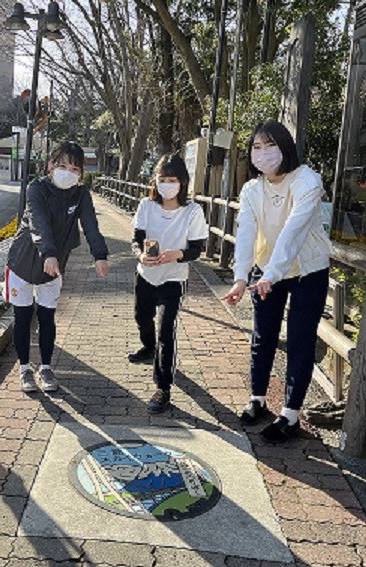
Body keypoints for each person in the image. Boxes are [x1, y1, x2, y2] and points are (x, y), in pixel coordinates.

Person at [223, 120, 333, 442]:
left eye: (270, 145)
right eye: (256, 147)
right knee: (263, 335)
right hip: (264, 271)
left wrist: (270, 274)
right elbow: (246, 232)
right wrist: (241, 277)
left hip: (306, 272)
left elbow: (293, 233)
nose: (263, 153)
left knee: (300, 341)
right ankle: (257, 399)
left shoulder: (307, 181)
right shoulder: (252, 189)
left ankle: (290, 414)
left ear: (285, 147)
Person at [6, 141, 109, 393]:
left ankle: (46, 367)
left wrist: (100, 254)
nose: (68, 172)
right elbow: (38, 222)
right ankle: (24, 369)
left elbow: (90, 225)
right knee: (21, 318)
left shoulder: (81, 194)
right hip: (23, 262)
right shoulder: (36, 188)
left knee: (47, 316)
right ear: (50, 166)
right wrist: (48, 252)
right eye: (62, 165)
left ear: (81, 173)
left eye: (74, 168)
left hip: (53, 266)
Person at [128, 154, 209, 413]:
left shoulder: (193, 211)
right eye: (162, 179)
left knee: (167, 331)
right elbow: (136, 239)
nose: (166, 184)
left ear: (182, 182)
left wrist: (178, 255)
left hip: (174, 279)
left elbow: (198, 248)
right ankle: (148, 347)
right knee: (142, 317)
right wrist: (140, 254)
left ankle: (163, 387)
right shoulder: (146, 206)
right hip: (146, 274)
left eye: (172, 179)